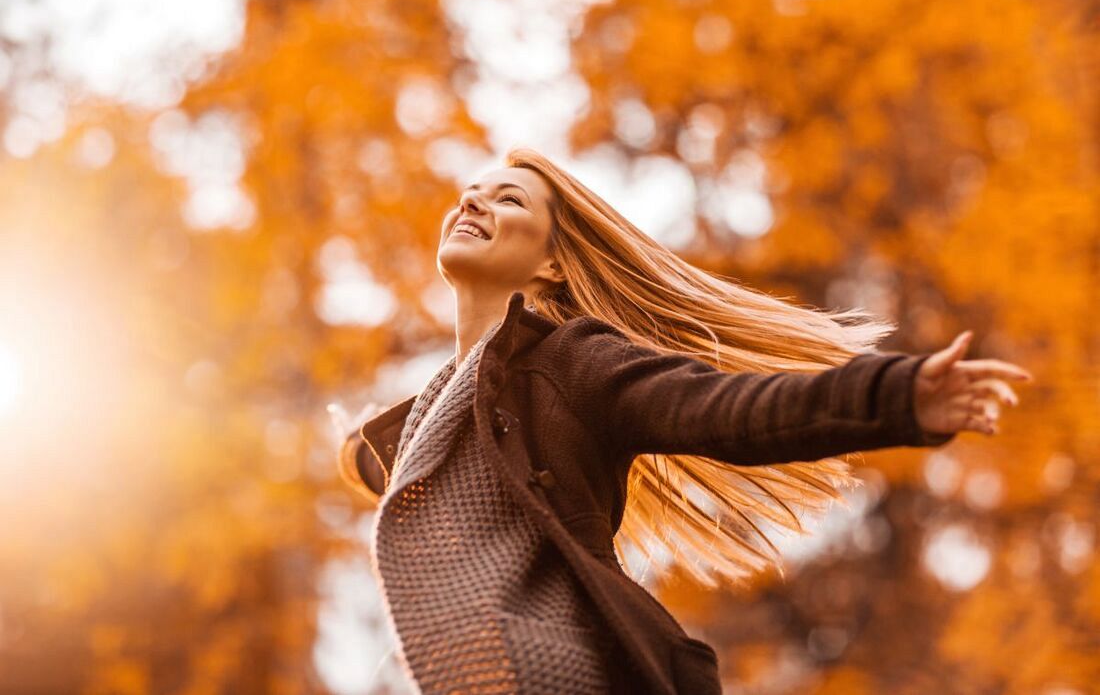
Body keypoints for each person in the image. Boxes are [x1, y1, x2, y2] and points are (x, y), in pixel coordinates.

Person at [334, 147, 1032, 694]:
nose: (473, 203)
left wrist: (899, 396)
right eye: (469, 194)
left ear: (551, 262)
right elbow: (425, 473)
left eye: (506, 197)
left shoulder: (574, 365)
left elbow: (728, 411)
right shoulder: (438, 411)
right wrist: (359, 451)